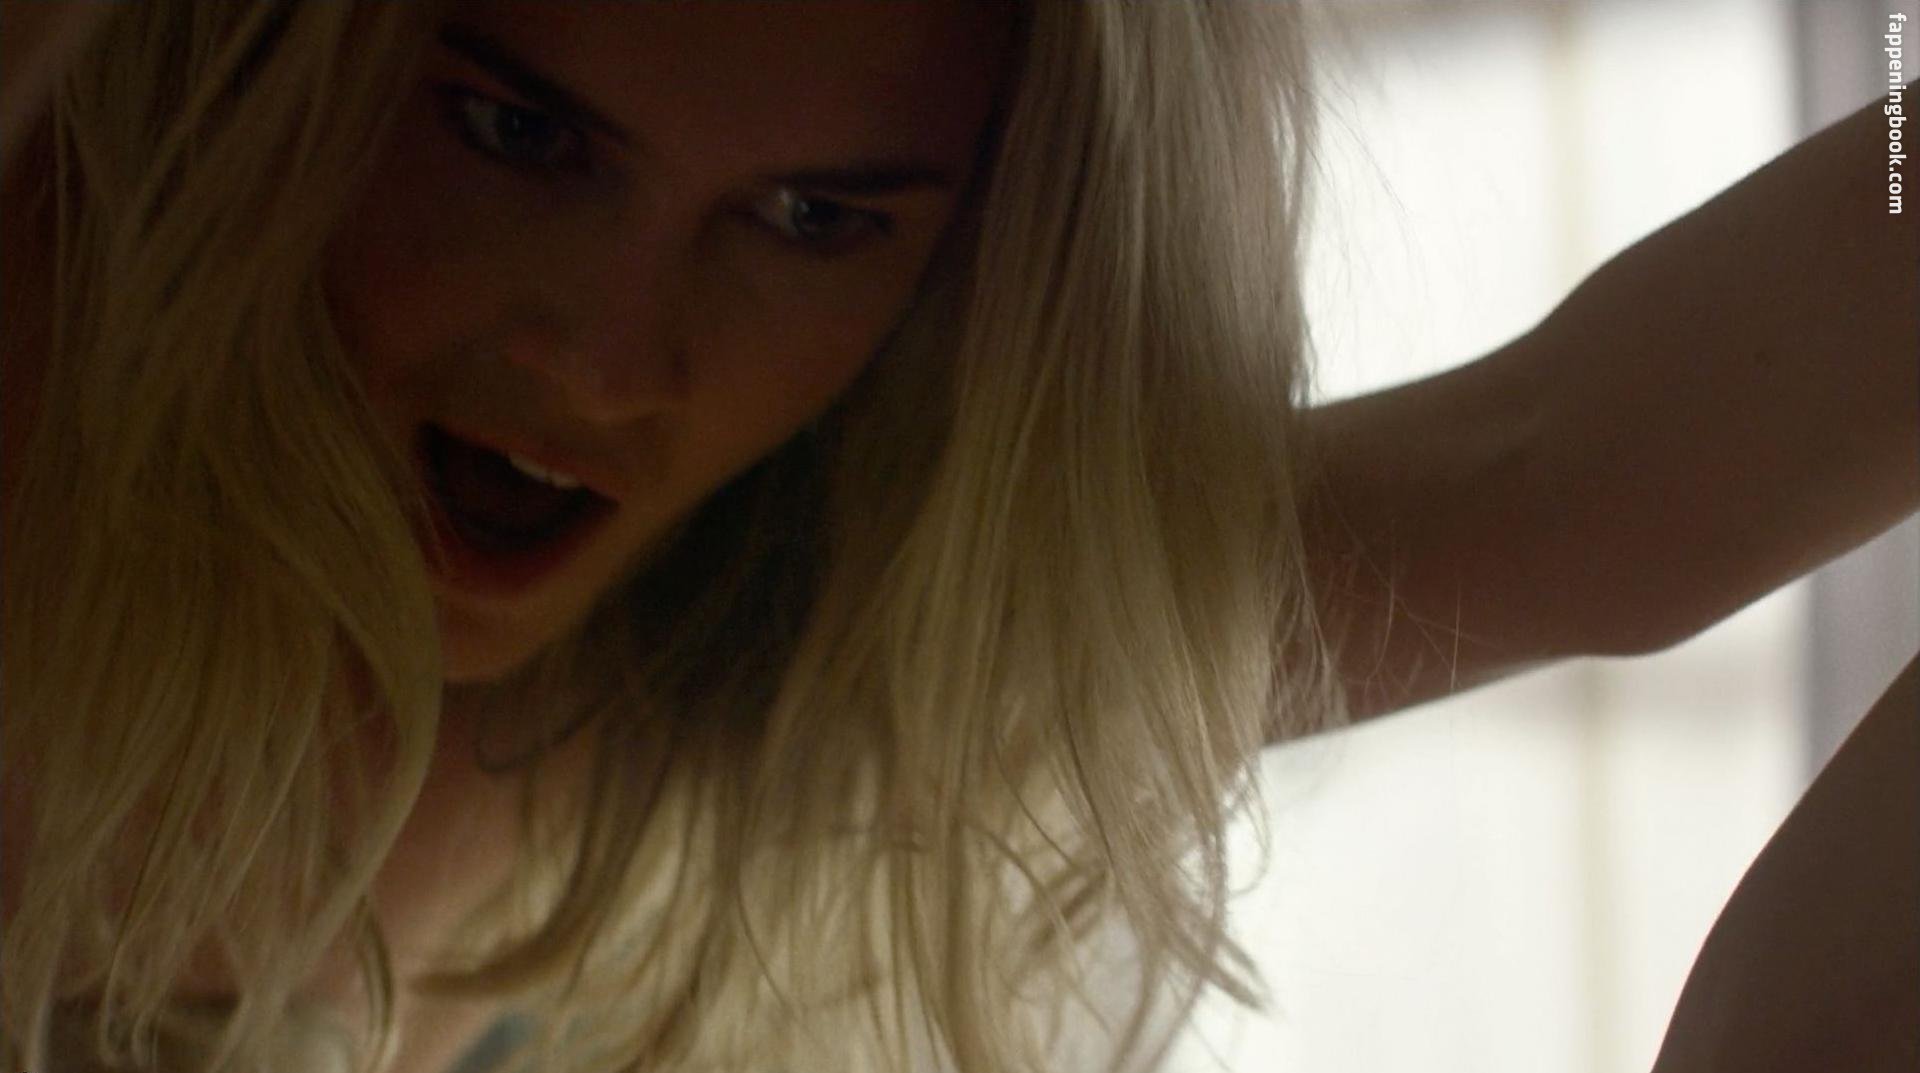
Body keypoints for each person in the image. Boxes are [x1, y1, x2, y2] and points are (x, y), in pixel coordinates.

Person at [0, 3, 1911, 1072]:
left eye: (815, 223)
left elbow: (1571, 486)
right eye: (514, 135)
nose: (608, 362)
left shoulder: (743, 658)